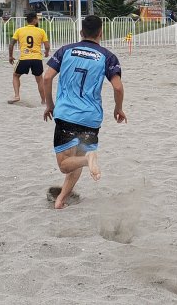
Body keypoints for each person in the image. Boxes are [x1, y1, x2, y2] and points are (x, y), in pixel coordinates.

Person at [42, 15, 126, 210]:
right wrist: (118, 108)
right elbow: (118, 88)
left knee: (65, 165)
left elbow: (47, 78)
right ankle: (61, 198)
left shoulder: (65, 50)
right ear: (100, 33)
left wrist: (50, 104)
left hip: (67, 115)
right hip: (91, 118)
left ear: (81, 33)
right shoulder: (108, 56)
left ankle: (89, 159)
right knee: (78, 158)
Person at [8, 12, 51, 104]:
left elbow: (11, 44)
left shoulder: (20, 30)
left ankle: (17, 96)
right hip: (37, 59)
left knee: (16, 75)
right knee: (39, 80)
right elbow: (47, 46)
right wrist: (46, 53)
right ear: (34, 20)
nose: (38, 20)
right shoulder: (41, 31)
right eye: (37, 18)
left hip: (24, 58)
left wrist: (10, 56)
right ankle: (43, 101)